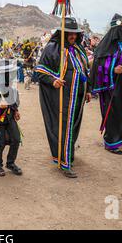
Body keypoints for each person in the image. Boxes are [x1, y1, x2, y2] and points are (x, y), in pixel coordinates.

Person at [37, 17, 91, 178]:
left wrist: (88, 90)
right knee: (63, 128)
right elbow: (40, 71)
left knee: (73, 127)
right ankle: (63, 162)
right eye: (69, 33)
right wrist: (53, 80)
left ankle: (68, 154)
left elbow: (84, 71)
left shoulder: (79, 49)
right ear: (62, 33)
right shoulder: (53, 49)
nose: (72, 36)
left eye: (75, 33)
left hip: (78, 97)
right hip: (62, 98)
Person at [91, 14, 122, 155]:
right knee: (113, 113)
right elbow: (98, 64)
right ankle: (111, 142)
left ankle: (119, 136)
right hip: (112, 87)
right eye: (120, 29)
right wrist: (113, 70)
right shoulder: (107, 46)